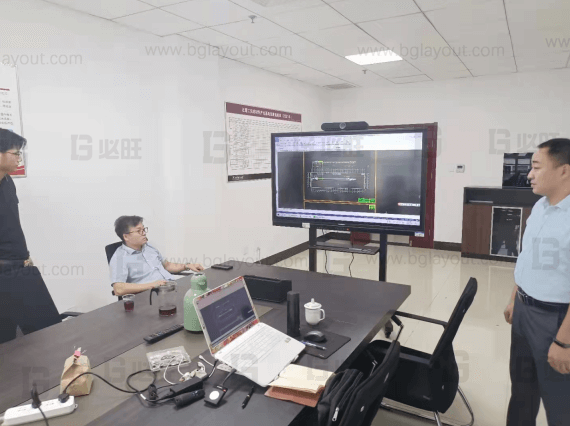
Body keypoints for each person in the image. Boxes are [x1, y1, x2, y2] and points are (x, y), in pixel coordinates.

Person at [504, 138, 570, 426]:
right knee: (521, 392)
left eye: (536, 167)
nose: (529, 174)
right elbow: (527, 258)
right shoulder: (541, 207)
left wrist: (564, 342)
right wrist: (514, 299)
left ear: (564, 171)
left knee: (559, 404)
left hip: (555, 320)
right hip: (523, 312)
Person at [0, 129, 60, 344]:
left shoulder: (8, 182)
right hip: (4, 273)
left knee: (51, 332)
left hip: (21, 268)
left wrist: (23, 255)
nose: (19, 158)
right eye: (15, 153)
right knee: (7, 343)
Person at [110, 216, 204, 296]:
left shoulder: (149, 247)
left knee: (203, 292)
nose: (144, 233)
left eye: (144, 229)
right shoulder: (120, 257)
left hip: (171, 287)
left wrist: (187, 266)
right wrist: (152, 285)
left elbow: (167, 265)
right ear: (126, 236)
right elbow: (118, 289)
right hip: (151, 295)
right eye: (139, 231)